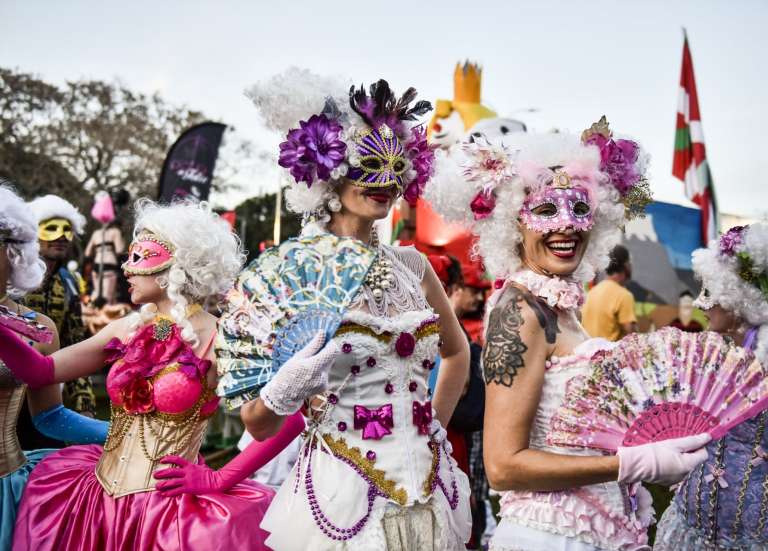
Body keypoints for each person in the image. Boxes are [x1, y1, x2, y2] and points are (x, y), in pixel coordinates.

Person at [217, 69, 472, 550]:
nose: (385, 181)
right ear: (330, 170)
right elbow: (257, 421)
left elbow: (457, 355)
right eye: (367, 164)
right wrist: (288, 385)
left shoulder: (414, 266)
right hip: (343, 494)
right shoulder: (296, 273)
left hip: (428, 487)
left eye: (396, 167)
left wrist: (433, 423)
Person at [427, 119, 710, 550]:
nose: (567, 226)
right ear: (512, 223)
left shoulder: (560, 307)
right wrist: (631, 463)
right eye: (544, 211)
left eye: (580, 210)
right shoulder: (520, 309)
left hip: (594, 531)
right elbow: (503, 466)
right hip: (549, 535)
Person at [0, 200, 289, 550]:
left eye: (139, 257)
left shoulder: (222, 339)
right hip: (98, 505)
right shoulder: (126, 328)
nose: (125, 268)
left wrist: (218, 477)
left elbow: (289, 420)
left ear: (178, 266)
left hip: (170, 517)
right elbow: (41, 371)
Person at [0, 183, 107, 550]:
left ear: (13, 251)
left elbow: (50, 417)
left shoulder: (39, 326)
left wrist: (123, 432)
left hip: (7, 494)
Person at [655, 224, 768, 550]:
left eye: (709, 292)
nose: (702, 306)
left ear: (739, 298)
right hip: (690, 524)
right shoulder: (710, 354)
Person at [22, 195, 96, 445]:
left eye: (67, 229)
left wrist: (85, 404)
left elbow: (76, 345)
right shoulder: (13, 280)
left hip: (49, 398)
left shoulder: (69, 283)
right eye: (51, 228)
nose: (61, 236)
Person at [582, 244, 638, 341]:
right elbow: (632, 337)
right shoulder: (624, 295)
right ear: (626, 266)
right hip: (611, 355)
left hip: (588, 354)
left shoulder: (592, 293)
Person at [84, 220, 126, 305]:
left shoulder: (96, 233)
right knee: (108, 296)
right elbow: (119, 250)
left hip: (96, 265)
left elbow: (87, 252)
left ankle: (91, 310)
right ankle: (105, 315)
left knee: (96, 292)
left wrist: (98, 250)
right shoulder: (115, 231)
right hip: (109, 264)